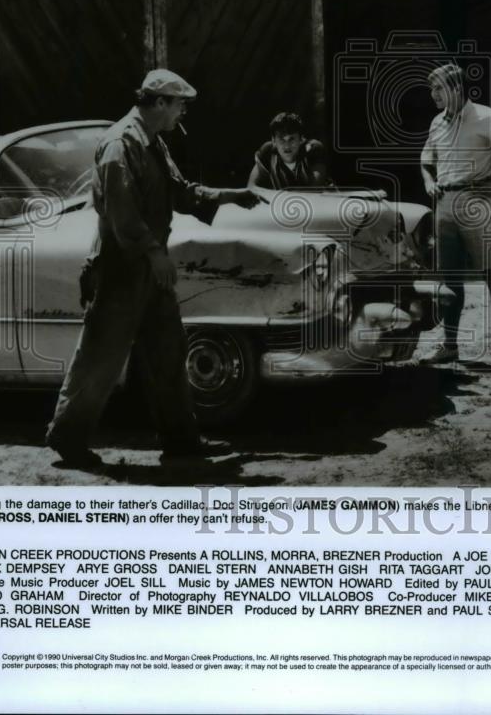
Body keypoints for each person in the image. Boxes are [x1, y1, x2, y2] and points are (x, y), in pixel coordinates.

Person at [45, 69, 261, 469]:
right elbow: (121, 214)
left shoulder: (153, 142)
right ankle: (67, 437)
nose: (182, 113)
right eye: (180, 105)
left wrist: (231, 195)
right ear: (159, 102)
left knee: (167, 351)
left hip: (147, 269)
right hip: (119, 269)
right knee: (100, 358)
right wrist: (154, 254)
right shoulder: (119, 145)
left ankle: (182, 440)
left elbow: (180, 193)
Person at [419, 63, 491, 366]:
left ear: (456, 88)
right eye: (432, 89)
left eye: (438, 88)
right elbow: (426, 160)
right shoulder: (437, 123)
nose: (433, 94)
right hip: (445, 204)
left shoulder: (489, 118)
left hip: (477, 203)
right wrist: (429, 181)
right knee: (450, 280)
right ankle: (450, 345)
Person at [248, 111, 329, 190]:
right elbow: (252, 188)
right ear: (273, 141)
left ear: (301, 139)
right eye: (281, 139)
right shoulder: (268, 152)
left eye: (292, 139)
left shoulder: (313, 149)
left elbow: (314, 190)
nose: (287, 145)